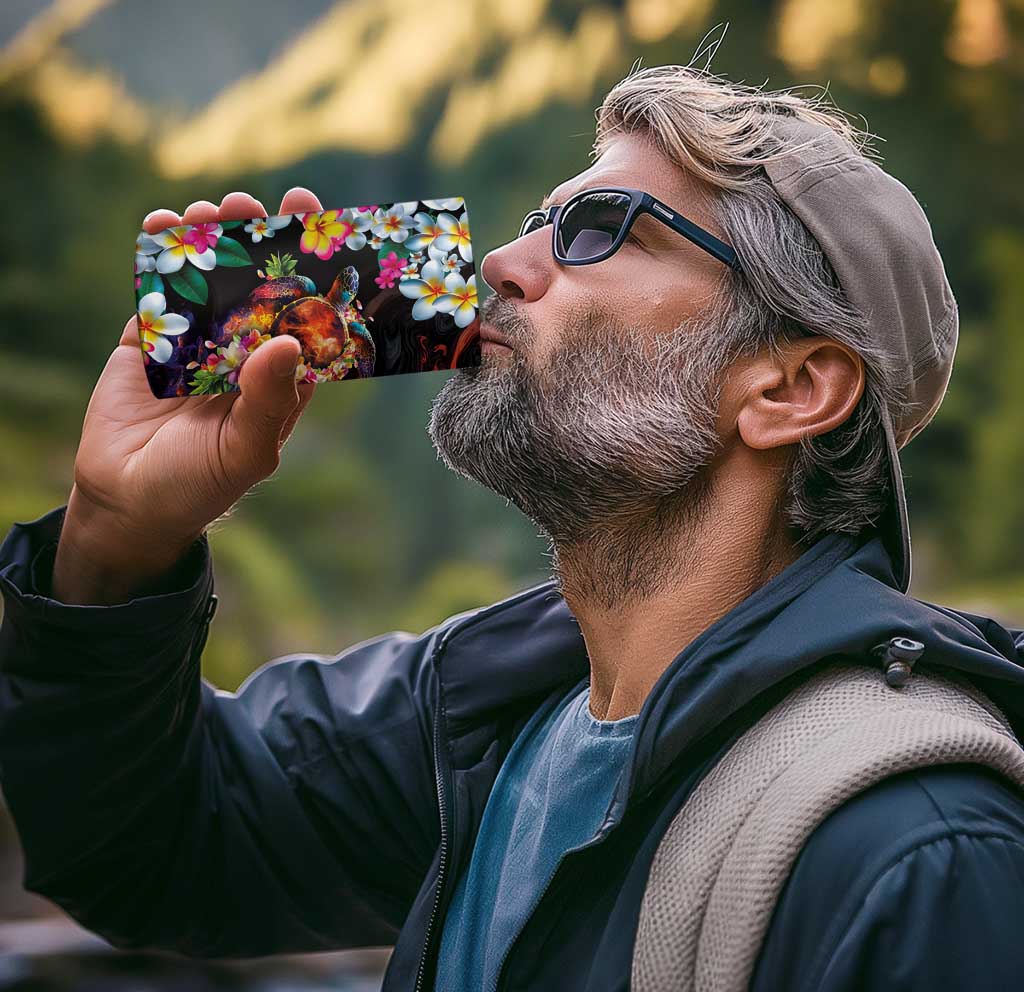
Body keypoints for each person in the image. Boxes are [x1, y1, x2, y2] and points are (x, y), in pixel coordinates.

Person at [2, 61, 1024, 992]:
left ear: (791, 387)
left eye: (599, 230)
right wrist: (115, 539)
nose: (500, 260)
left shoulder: (918, 852)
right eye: (540, 220)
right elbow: (148, 847)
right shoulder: (480, 716)